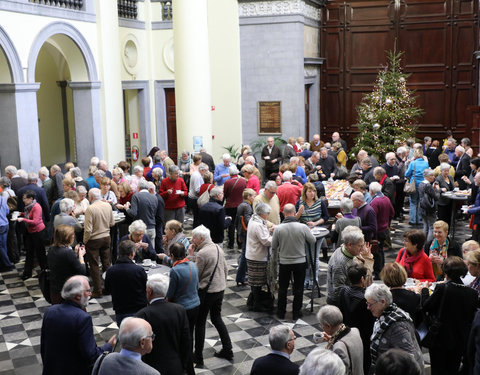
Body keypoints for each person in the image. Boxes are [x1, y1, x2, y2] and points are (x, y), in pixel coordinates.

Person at [41, 275, 116, 375]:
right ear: (77, 296)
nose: (90, 293)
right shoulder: (82, 318)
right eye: (88, 290)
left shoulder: (50, 311)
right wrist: (109, 345)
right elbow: (91, 355)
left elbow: (44, 347)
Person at [420, 256, 478, 375]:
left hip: (440, 338)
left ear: (445, 272)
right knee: (453, 369)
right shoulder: (472, 293)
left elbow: (426, 306)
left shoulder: (442, 288)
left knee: (437, 369)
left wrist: (424, 290)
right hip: (460, 339)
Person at [189, 225, 233, 365]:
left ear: (201, 238)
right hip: (220, 289)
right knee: (217, 318)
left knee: (200, 323)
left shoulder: (202, 253)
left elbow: (196, 274)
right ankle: (228, 348)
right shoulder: (218, 248)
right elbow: (225, 269)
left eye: (194, 238)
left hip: (206, 292)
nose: (192, 240)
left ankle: (198, 356)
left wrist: (191, 256)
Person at [136, 273, 191, 374]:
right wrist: (183, 365)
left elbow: (138, 348)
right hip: (176, 367)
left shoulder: (142, 315)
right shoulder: (180, 310)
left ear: (149, 291)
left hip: (151, 369)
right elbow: (186, 342)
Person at [365, 283, 424, 374]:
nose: (368, 308)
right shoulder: (385, 316)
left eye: (370, 304)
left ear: (383, 302)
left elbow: (408, 358)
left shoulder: (397, 326)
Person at [272, 204, 315, 320]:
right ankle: (296, 312)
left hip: (285, 263)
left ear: (284, 213)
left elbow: (274, 246)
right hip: (300, 262)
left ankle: (281, 312)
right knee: (298, 288)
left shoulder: (278, 228)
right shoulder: (303, 227)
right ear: (294, 212)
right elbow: (312, 240)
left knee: (283, 288)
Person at [337, 264, 374, 374]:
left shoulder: (343, 291)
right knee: (364, 365)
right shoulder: (365, 300)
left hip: (345, 333)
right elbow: (370, 321)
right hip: (363, 338)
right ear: (362, 279)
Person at [92, 317, 159, 375]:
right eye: (151, 336)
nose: (152, 339)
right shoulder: (151, 373)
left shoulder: (103, 358)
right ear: (142, 343)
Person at [105, 240, 148, 325]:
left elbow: (107, 289)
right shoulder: (139, 270)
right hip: (138, 310)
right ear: (132, 253)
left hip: (120, 310)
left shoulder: (110, 270)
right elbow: (145, 288)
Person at [83, 188, 115, 298]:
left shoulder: (90, 209)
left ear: (90, 197)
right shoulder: (107, 205)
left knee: (94, 265)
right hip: (106, 237)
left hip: (94, 240)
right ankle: (109, 288)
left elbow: (88, 230)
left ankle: (97, 290)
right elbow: (112, 223)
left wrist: (85, 241)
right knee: (107, 263)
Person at [327, 226, 370, 306]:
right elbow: (338, 291)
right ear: (349, 245)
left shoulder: (347, 250)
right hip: (340, 303)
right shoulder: (339, 264)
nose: (362, 249)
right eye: (360, 246)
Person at [316, 305, 364, 375]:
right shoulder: (355, 330)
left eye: (321, 325)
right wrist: (331, 339)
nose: (322, 327)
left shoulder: (338, 348)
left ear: (328, 326)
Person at [165, 242, 200, 339]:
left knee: (181, 336)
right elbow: (197, 286)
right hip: (196, 305)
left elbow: (171, 294)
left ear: (172, 256)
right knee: (190, 333)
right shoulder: (193, 265)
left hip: (182, 308)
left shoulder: (174, 270)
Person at [47, 225, 86, 304]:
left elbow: (64, 263)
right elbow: (82, 270)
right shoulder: (67, 252)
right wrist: (81, 256)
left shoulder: (51, 249)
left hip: (55, 289)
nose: (73, 236)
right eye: (72, 235)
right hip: (68, 291)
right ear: (67, 237)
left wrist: (74, 253)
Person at [245, 203, 273, 312]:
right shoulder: (258, 224)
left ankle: (253, 301)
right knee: (257, 282)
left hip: (253, 254)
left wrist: (268, 231)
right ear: (262, 213)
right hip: (257, 256)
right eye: (267, 213)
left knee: (255, 281)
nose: (268, 215)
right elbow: (265, 241)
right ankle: (256, 303)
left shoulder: (254, 219)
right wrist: (275, 237)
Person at [16, 190, 47, 280]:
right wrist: (21, 214)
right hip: (30, 232)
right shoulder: (28, 206)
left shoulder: (36, 207)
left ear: (31, 198)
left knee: (40, 253)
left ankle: (44, 272)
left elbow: (35, 222)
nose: (23, 200)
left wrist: (23, 219)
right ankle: (27, 273)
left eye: (25, 198)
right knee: (29, 252)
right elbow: (29, 215)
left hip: (38, 232)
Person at [369, 182, 394, 278]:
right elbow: (392, 213)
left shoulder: (375, 202)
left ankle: (378, 272)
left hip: (377, 230)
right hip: (384, 228)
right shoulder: (386, 199)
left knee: (377, 252)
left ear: (371, 191)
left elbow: (372, 217)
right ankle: (381, 271)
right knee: (380, 251)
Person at [125, 179, 162, 246]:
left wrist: (127, 208)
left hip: (139, 229)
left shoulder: (136, 196)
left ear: (138, 188)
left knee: (138, 250)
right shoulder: (154, 197)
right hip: (152, 227)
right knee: (150, 250)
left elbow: (133, 213)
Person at [235, 188, 256, 286]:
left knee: (244, 253)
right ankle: (241, 277)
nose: (254, 198)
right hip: (246, 232)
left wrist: (238, 233)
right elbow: (247, 221)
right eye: (253, 196)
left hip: (241, 232)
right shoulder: (248, 207)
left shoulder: (240, 205)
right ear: (248, 197)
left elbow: (237, 221)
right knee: (244, 254)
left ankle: (241, 276)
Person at [223, 166, 246, 248]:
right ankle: (240, 243)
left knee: (231, 225)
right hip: (241, 205)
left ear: (230, 173)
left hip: (230, 205)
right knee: (240, 224)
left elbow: (225, 194)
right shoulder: (243, 181)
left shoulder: (227, 182)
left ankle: (231, 243)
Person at [405, 148, 429, 225]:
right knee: (420, 202)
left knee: (413, 202)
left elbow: (407, 174)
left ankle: (412, 220)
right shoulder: (426, 163)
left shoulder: (413, 163)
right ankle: (419, 219)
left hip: (414, 184)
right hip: (423, 184)